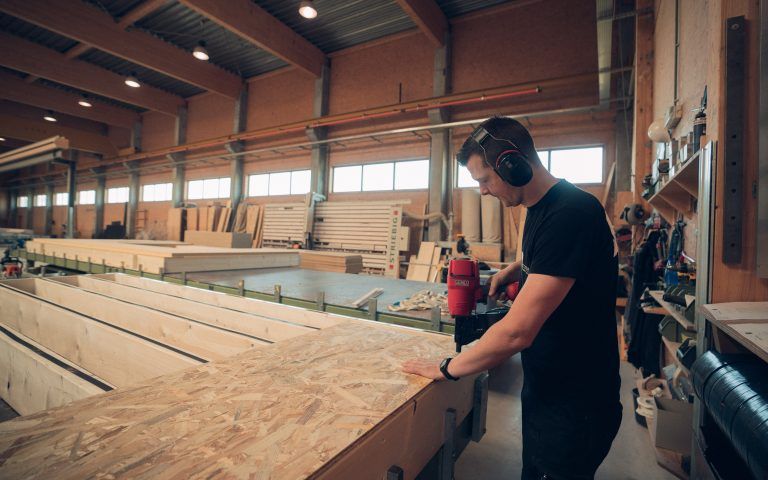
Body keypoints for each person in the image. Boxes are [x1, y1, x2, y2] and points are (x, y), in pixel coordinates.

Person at [402, 116, 621, 479]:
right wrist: (516, 270)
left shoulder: (571, 213)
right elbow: (553, 257)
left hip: (576, 401)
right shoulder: (543, 208)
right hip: (549, 387)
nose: (483, 191)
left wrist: (447, 368)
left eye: (484, 180)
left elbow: (518, 332)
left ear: (512, 162)